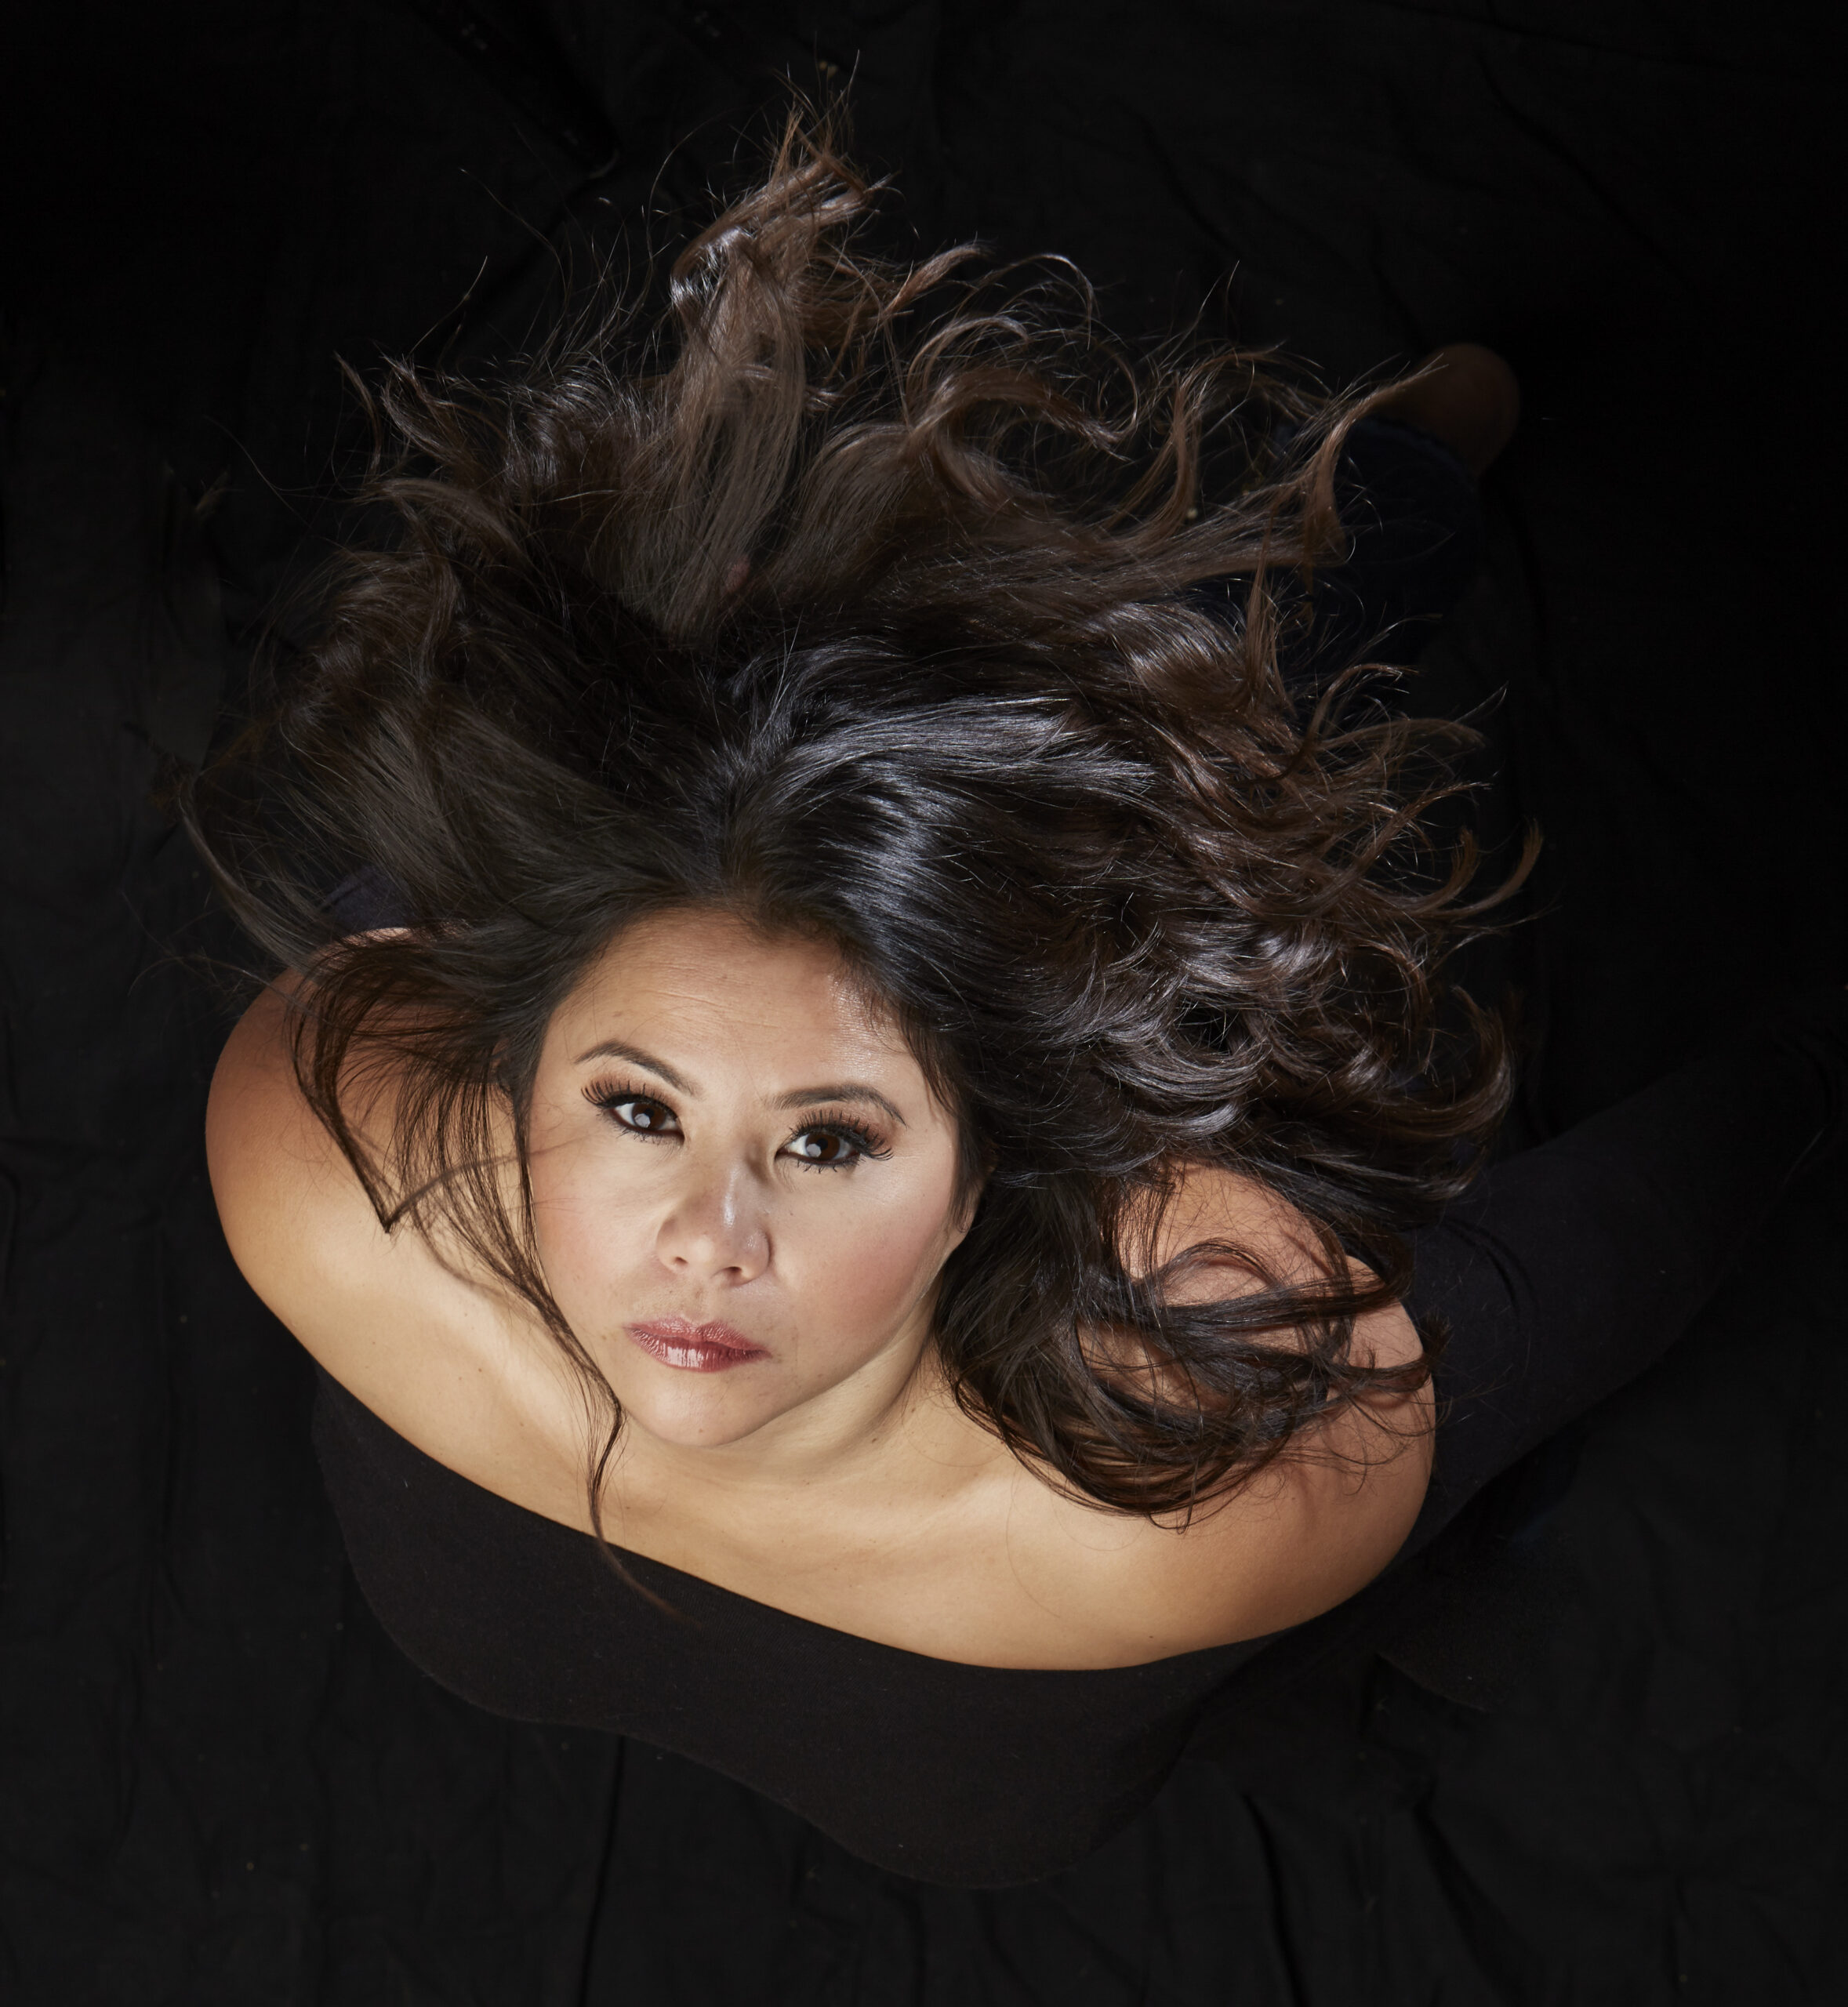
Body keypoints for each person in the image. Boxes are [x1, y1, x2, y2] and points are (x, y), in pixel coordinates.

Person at [189, 119, 1846, 1889]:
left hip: (982, 1677)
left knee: (1136, 824)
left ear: (1004, 1174)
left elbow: (1584, 1260)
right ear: (523, 1075)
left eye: (830, 1141)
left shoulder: (1197, 1491)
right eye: (638, 1107)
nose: (703, 1243)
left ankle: (1390, 505)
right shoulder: (326, 1172)